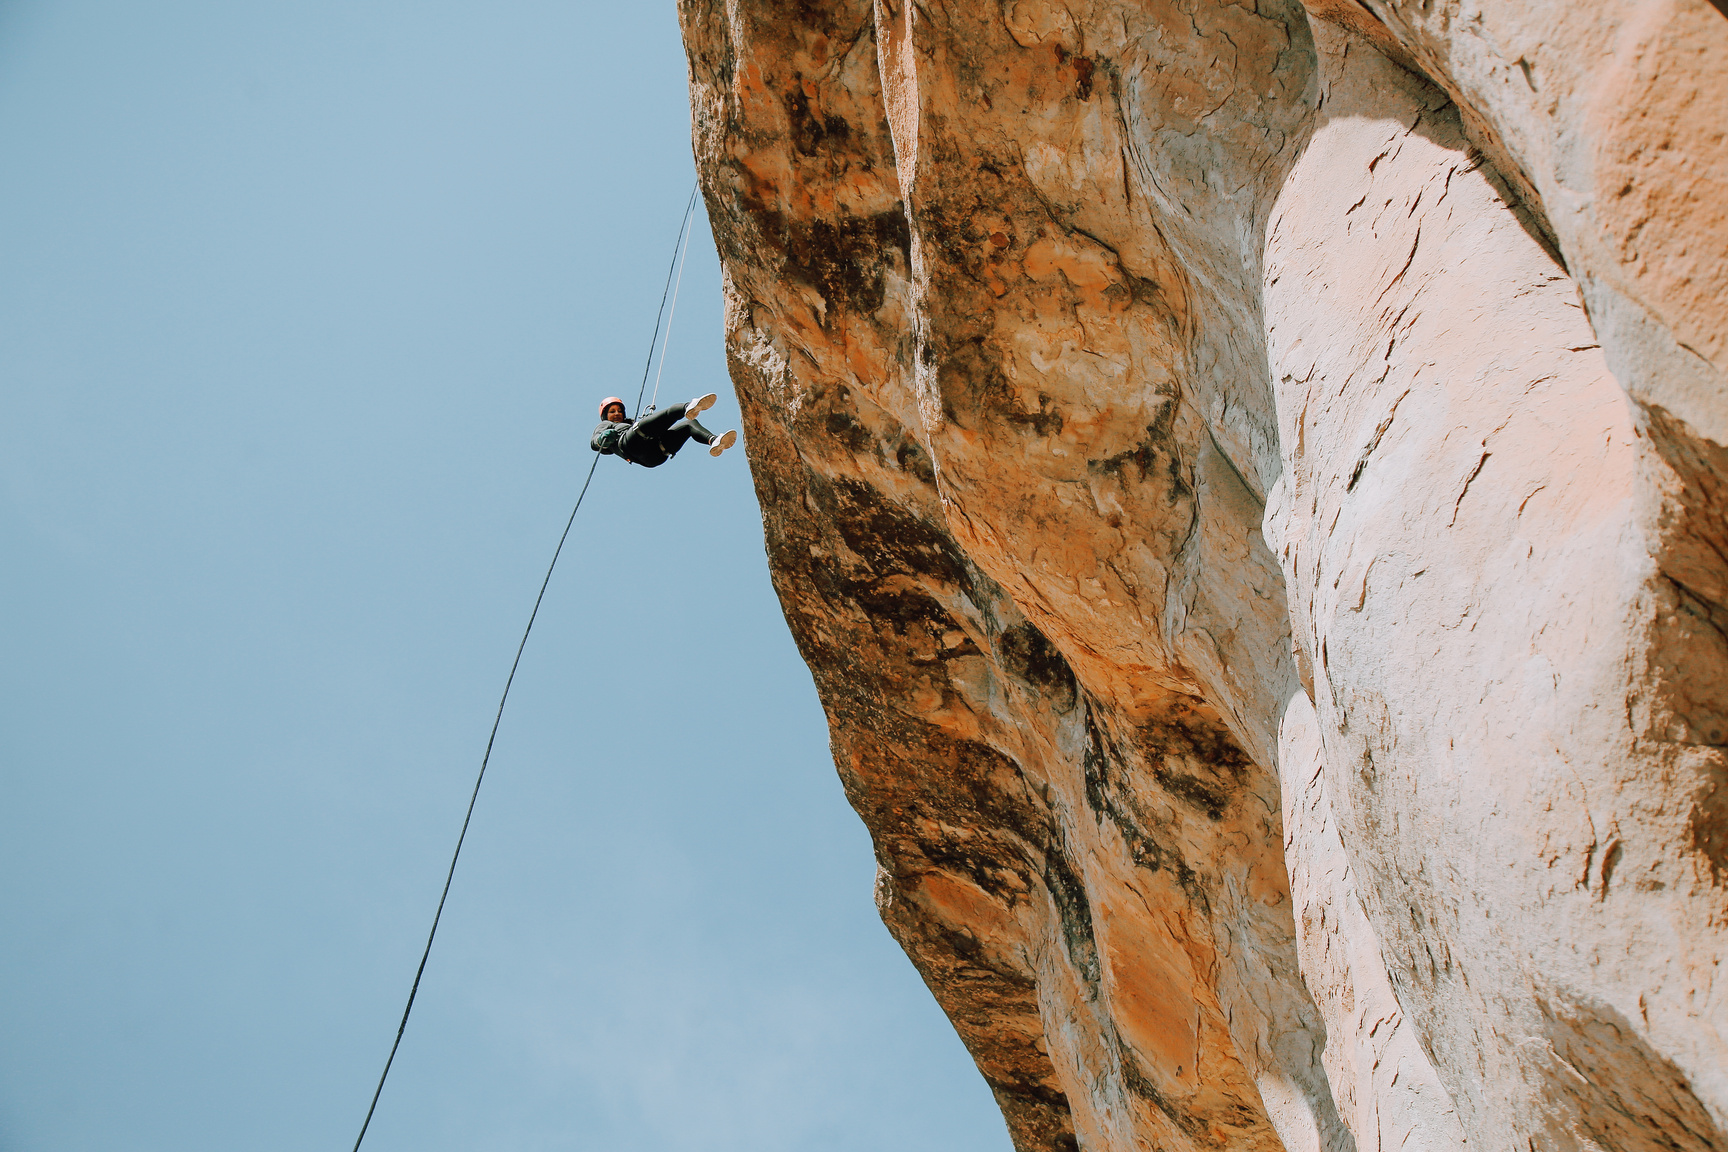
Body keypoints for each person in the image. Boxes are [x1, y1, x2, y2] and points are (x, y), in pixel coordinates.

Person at [590, 393, 738, 467]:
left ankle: (715, 441)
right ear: (605, 416)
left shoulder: (630, 423)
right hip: (630, 444)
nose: (617, 413)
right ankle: (688, 406)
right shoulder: (604, 426)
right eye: (612, 411)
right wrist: (601, 438)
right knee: (647, 425)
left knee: (688, 425)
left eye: (619, 411)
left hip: (656, 454)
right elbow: (595, 443)